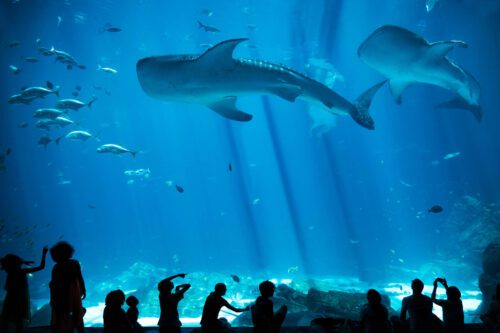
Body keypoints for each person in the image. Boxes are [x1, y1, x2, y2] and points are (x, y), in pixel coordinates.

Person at [0, 246, 48, 333]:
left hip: (10, 300)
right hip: (21, 301)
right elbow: (41, 267)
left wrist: (22, 261)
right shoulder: (22, 272)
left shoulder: (10, 273)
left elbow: (4, 261)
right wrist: (44, 254)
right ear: (17, 264)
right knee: (19, 322)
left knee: (6, 321)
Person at [49, 241, 86, 333]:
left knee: (66, 313)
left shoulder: (56, 267)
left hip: (63, 294)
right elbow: (80, 277)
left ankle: (69, 329)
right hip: (72, 292)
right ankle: (78, 329)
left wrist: (52, 298)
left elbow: (53, 285)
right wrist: (83, 289)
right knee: (76, 312)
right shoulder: (74, 263)